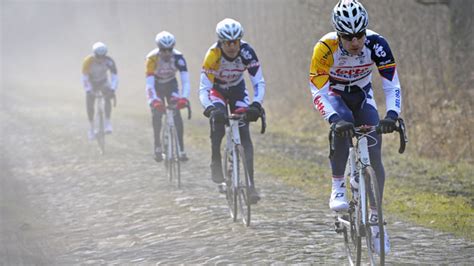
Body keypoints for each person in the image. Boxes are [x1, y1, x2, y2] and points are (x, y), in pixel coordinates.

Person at [309, 0, 402, 254]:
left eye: (360, 35)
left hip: (362, 94)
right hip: (335, 94)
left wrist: (392, 115)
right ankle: (337, 186)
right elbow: (316, 89)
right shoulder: (325, 48)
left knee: (374, 151)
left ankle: (375, 222)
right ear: (338, 34)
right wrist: (332, 119)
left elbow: (392, 84)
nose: (355, 42)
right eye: (348, 37)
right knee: (344, 126)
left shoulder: (377, 44)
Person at [199, 18, 266, 204]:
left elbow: (258, 82)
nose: (231, 46)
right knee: (218, 124)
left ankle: (251, 185)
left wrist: (256, 104)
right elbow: (204, 88)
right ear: (220, 41)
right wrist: (210, 109)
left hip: (238, 90)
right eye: (227, 42)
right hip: (217, 90)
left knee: (244, 134)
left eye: (235, 41)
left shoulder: (247, 52)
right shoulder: (213, 55)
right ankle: (215, 159)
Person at [145, 31, 190, 162]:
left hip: (171, 85)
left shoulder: (178, 57)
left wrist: (184, 98)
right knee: (157, 115)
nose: (166, 53)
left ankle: (181, 149)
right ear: (159, 48)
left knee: (176, 114)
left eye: (169, 50)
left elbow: (185, 81)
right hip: (156, 85)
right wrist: (154, 101)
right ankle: (157, 146)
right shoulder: (151, 58)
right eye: (163, 50)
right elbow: (149, 84)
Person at [81, 42, 118, 140]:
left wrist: (113, 89)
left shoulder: (109, 61)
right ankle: (91, 128)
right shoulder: (88, 61)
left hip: (103, 82)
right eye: (98, 57)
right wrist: (88, 90)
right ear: (94, 54)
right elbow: (84, 78)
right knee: (90, 104)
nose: (100, 59)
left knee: (107, 97)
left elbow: (114, 76)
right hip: (91, 82)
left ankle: (107, 122)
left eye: (103, 57)